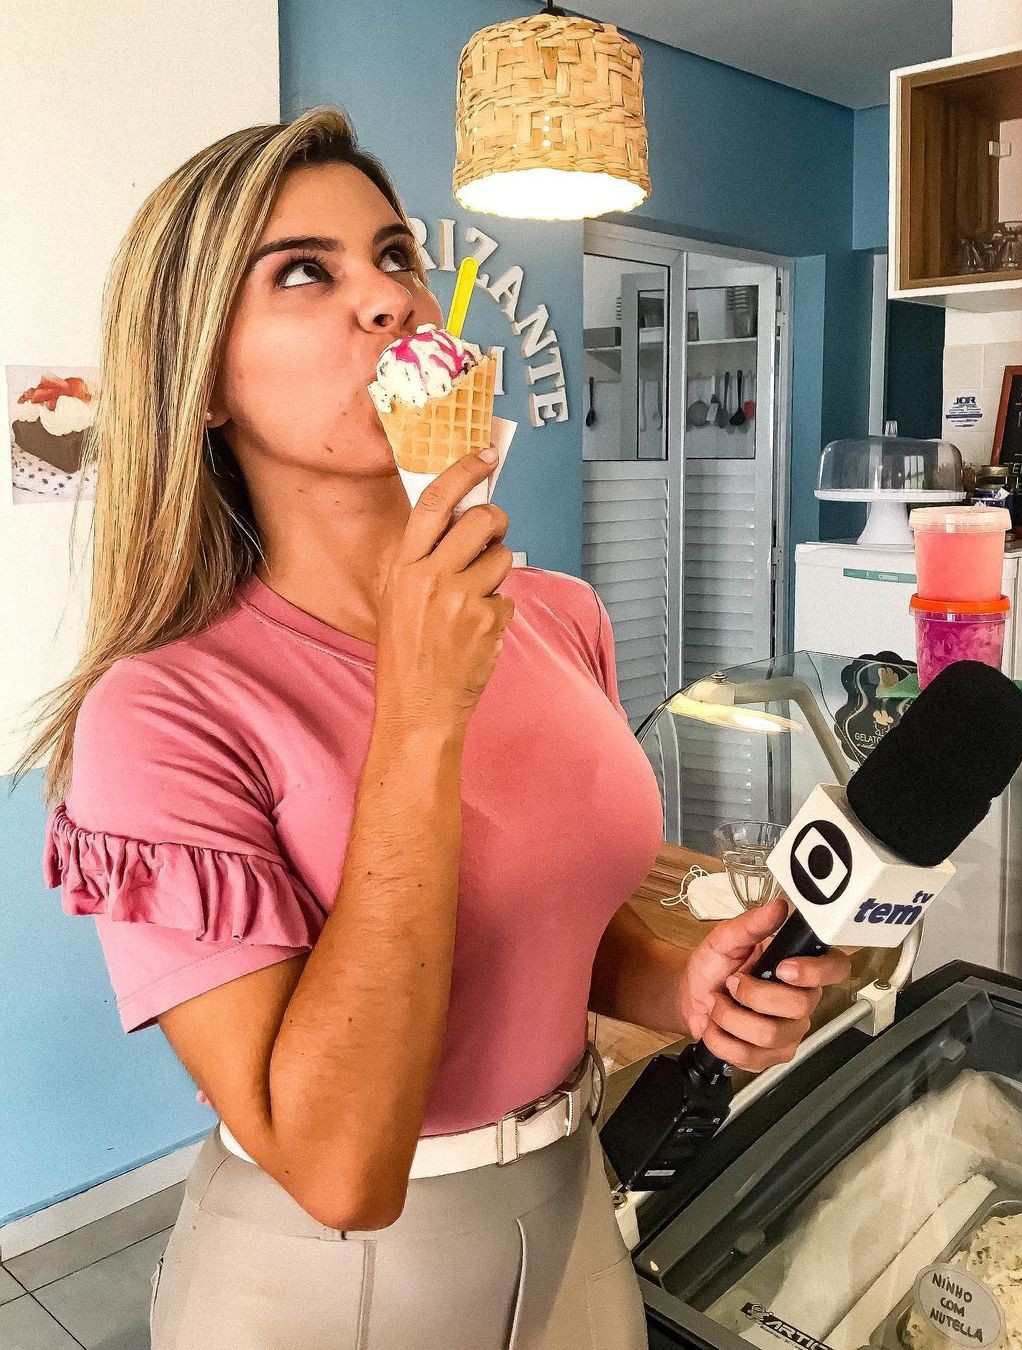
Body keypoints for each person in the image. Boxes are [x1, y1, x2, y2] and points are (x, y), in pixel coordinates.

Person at [18, 106, 851, 1349]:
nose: (390, 299)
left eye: (395, 256)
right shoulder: (160, 713)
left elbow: (554, 923)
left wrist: (680, 985)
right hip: (330, 1279)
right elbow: (337, 1170)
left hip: (576, 1209)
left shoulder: (557, 614)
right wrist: (417, 720)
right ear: (201, 382)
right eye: (304, 272)